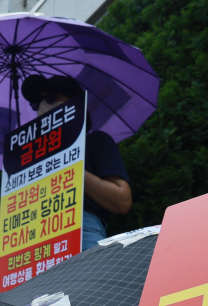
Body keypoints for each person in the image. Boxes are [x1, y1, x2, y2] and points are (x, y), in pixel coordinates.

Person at [20, 74, 133, 251]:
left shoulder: (95, 141)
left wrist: (68, 165)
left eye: (51, 97)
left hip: (82, 230)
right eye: (37, 103)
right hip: (36, 241)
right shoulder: (29, 162)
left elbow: (122, 200)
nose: (44, 105)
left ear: (76, 102)